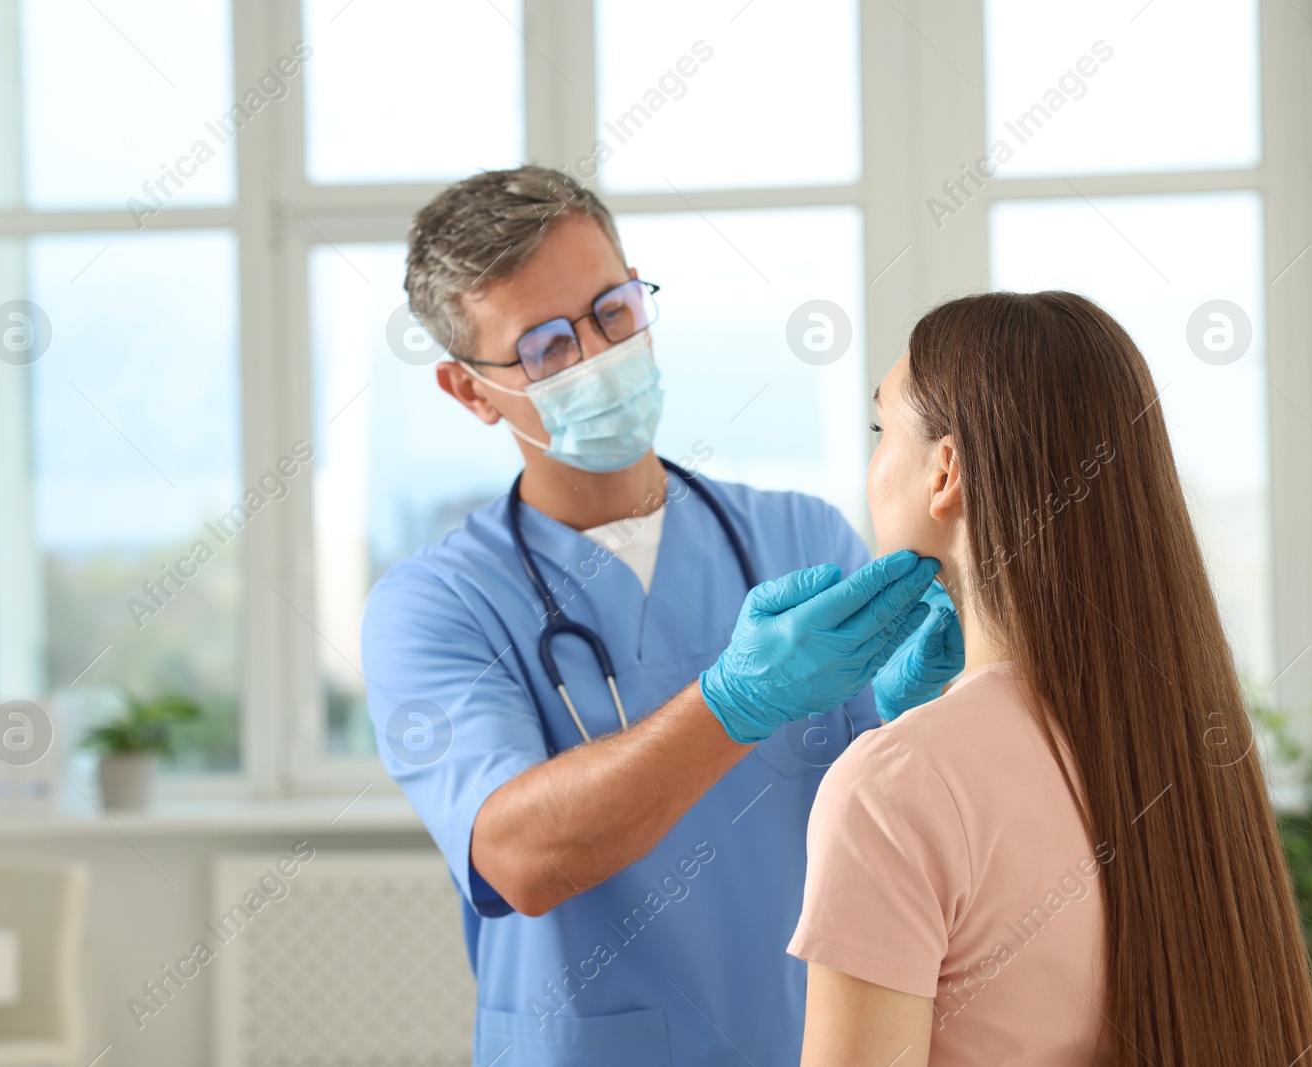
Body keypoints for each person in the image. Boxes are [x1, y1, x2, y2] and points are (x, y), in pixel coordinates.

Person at [361, 166, 958, 1066]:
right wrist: (732, 702)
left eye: (613, 309)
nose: (598, 355)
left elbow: (873, 787)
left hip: (795, 1035)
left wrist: (913, 707)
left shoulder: (801, 533)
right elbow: (516, 857)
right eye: (546, 345)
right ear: (470, 390)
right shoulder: (433, 605)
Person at [789, 290, 1312, 1066]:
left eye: (882, 430)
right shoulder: (1183, 741)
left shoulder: (893, 788)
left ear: (948, 472)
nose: (871, 463)